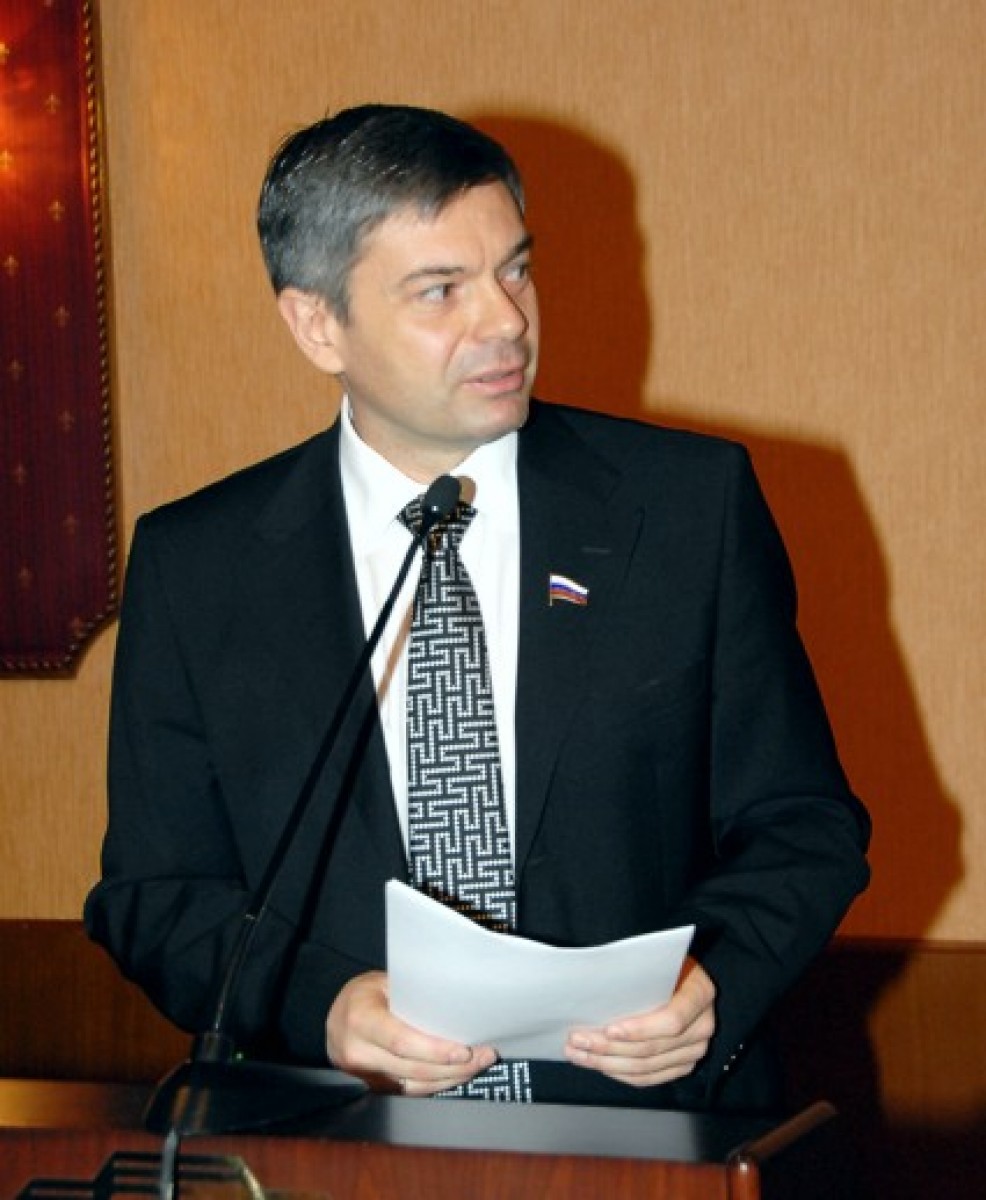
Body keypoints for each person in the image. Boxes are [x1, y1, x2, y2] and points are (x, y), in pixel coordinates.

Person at [84, 104, 870, 1112]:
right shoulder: (198, 566)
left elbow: (803, 824)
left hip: (649, 1134)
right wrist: (321, 1005)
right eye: (441, 290)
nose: (505, 321)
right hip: (334, 1142)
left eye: (515, 271)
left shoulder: (685, 511)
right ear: (318, 323)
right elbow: (153, 896)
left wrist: (711, 979)